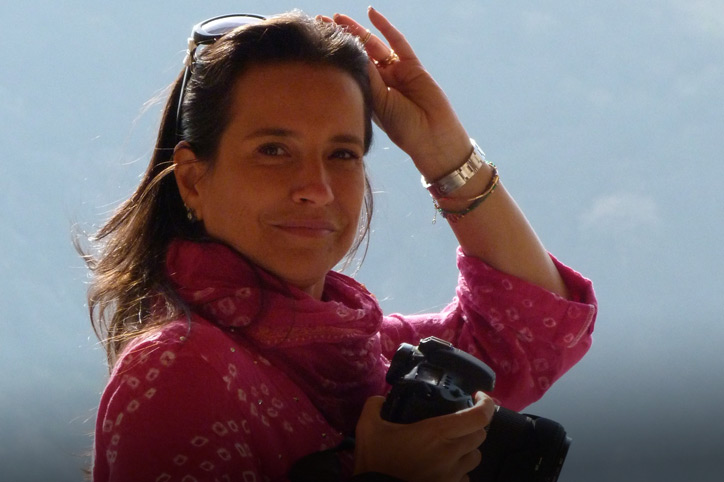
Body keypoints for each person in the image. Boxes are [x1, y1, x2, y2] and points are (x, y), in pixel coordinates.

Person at [83, 7, 597, 482]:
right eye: (274, 150)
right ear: (193, 179)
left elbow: (532, 328)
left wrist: (443, 150)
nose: (317, 187)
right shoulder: (179, 370)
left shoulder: (359, 354)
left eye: (343, 154)